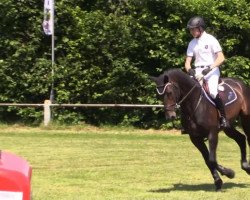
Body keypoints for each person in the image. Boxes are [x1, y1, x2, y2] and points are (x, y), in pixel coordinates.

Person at [184, 16, 229, 128]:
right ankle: (187, 122)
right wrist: (190, 70)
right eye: (190, 29)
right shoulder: (192, 43)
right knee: (186, 92)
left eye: (193, 29)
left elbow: (221, 58)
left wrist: (209, 68)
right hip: (197, 71)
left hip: (211, 70)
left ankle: (223, 118)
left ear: (200, 28)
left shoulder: (211, 39)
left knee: (213, 92)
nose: (191, 31)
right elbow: (187, 62)